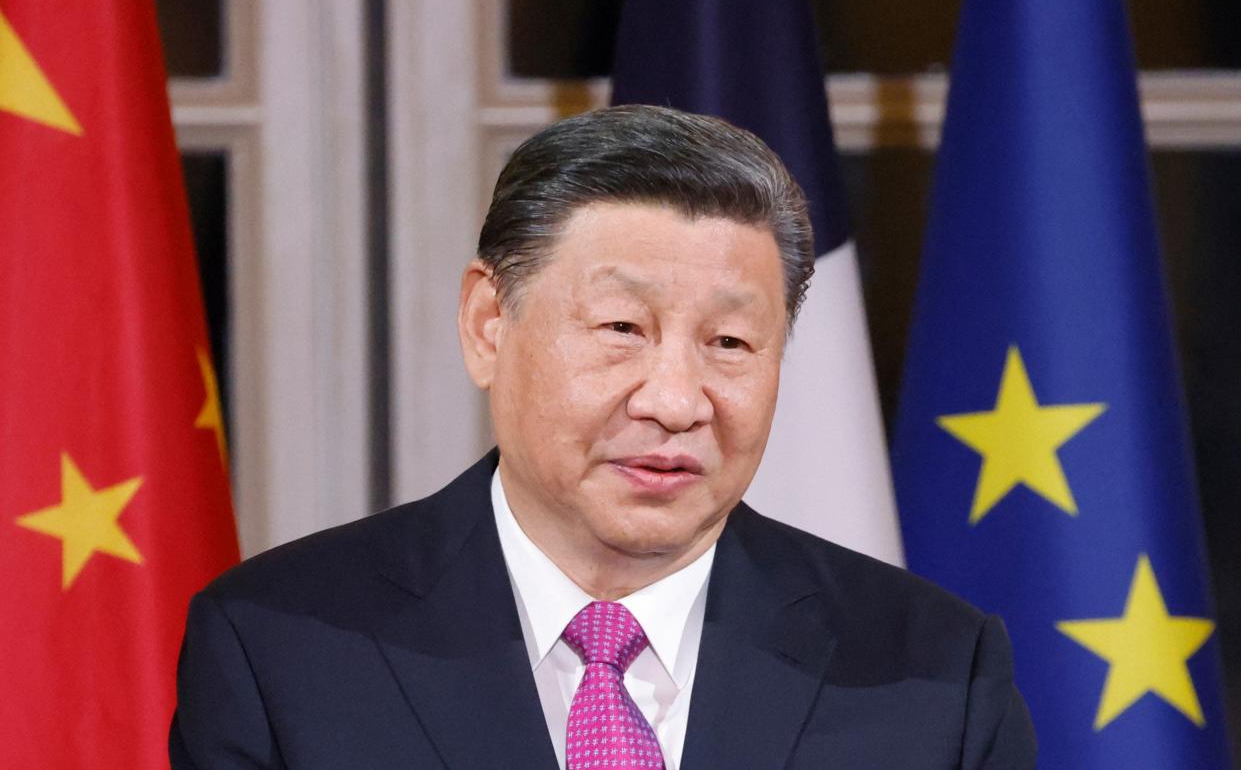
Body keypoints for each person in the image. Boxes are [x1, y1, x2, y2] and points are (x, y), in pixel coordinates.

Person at [170, 105, 1037, 769]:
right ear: (487, 324)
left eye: (729, 343)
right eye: (622, 327)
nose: (674, 401)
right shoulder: (279, 646)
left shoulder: (932, 671)